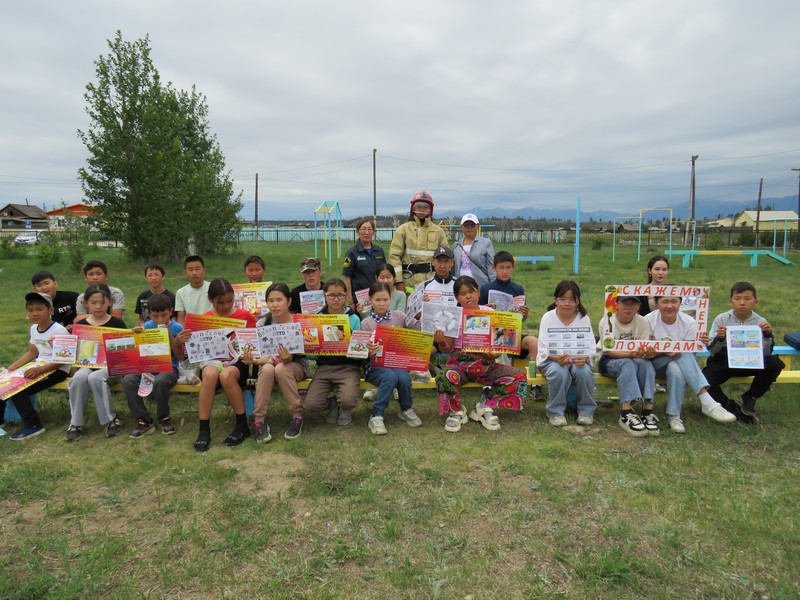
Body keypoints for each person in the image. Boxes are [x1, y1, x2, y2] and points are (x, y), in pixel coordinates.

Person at [433, 276, 528, 433]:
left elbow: (498, 345)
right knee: (443, 377)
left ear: (478, 292)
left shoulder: (490, 313)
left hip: (487, 366)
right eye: (463, 293)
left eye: (471, 291)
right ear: (457, 297)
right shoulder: (452, 316)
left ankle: (485, 406)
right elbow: (447, 349)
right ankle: (457, 410)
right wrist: (441, 341)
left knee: (519, 377)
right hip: (460, 367)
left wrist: (494, 354)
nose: (468, 296)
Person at [177, 278, 256, 451]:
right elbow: (186, 353)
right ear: (211, 299)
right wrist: (181, 341)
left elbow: (254, 345)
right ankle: (203, 430)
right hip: (212, 362)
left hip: (237, 363)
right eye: (221, 303)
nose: (226, 306)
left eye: (230, 301)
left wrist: (250, 353)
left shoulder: (245, 316)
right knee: (210, 374)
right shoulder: (203, 320)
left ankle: (242, 425)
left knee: (226, 375)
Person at [645, 295, 736, 433]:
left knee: (676, 368)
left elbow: (691, 352)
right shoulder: (648, 320)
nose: (670, 306)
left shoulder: (689, 322)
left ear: (680, 303)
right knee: (682, 354)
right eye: (665, 301)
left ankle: (674, 416)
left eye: (674, 301)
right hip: (653, 364)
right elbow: (646, 352)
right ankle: (707, 401)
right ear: (656, 303)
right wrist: (665, 352)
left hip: (678, 362)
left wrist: (685, 348)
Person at [702, 281, 785, 424]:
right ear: (730, 302)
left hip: (751, 361)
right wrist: (720, 338)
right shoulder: (721, 319)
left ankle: (751, 397)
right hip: (725, 361)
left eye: (747, 299)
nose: (742, 303)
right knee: (704, 381)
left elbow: (765, 353)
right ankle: (730, 407)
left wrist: (767, 336)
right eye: (737, 298)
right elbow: (712, 350)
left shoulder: (760, 322)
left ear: (755, 302)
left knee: (775, 363)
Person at [242, 283, 311, 442]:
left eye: (279, 300)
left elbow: (301, 353)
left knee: (282, 368)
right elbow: (262, 356)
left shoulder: (298, 322)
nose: (275, 304)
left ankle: (297, 416)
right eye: (271, 300)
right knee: (267, 369)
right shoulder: (262, 323)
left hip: (296, 365)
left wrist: (286, 358)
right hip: (269, 365)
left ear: (288, 301)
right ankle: (259, 420)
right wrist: (253, 359)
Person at [2, 292, 71, 440]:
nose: (34, 314)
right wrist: (11, 369)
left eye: (39, 309)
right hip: (39, 365)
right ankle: (2, 422)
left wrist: (40, 370)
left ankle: (34, 425)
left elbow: (63, 360)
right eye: (30, 310)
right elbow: (32, 352)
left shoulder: (59, 330)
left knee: (18, 390)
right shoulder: (34, 328)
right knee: (5, 383)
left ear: (50, 310)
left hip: (57, 370)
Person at [66, 284, 129, 441]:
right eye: (94, 302)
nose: (99, 306)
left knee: (95, 378)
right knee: (79, 378)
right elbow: (76, 353)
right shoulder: (81, 325)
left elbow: (126, 352)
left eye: (102, 302)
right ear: (86, 303)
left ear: (110, 302)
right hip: (88, 365)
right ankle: (75, 422)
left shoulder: (117, 324)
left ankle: (111, 419)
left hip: (112, 368)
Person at [478, 251, 543, 400]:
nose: (505, 271)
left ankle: (535, 382)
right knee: (489, 344)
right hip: (493, 335)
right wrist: (485, 310)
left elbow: (521, 319)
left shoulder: (518, 289)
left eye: (508, 267)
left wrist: (524, 314)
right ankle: (487, 386)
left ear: (513, 268)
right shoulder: (486, 289)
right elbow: (477, 318)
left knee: (533, 341)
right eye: (501, 267)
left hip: (513, 334)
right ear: (494, 268)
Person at [360, 282, 423, 435]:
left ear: (390, 299)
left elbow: (417, 329)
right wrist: (369, 351)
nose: (382, 303)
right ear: (370, 300)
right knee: (390, 376)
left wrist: (419, 315)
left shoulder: (399, 317)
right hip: (375, 366)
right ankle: (377, 415)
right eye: (377, 300)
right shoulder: (366, 323)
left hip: (396, 363)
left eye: (385, 299)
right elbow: (361, 352)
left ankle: (406, 408)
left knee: (404, 378)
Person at [596, 295, 659, 436]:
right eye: (625, 303)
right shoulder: (607, 320)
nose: (629, 308)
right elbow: (610, 351)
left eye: (633, 304)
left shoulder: (642, 321)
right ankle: (626, 412)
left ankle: (648, 410)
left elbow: (643, 349)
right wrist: (631, 354)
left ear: (638, 307)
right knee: (627, 363)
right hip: (607, 360)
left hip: (634, 358)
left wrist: (647, 353)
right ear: (616, 304)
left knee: (646, 364)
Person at [536, 281, 596, 427]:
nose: (567, 303)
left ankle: (586, 411)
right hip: (551, 360)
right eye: (563, 299)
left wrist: (585, 357)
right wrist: (555, 358)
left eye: (572, 299)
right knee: (559, 372)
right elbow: (543, 347)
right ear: (555, 300)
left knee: (585, 372)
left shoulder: (583, 318)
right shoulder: (548, 317)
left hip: (577, 360)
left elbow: (590, 345)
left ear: (578, 301)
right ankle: (555, 412)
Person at [123, 293, 182, 437]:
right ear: (149, 314)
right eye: (155, 316)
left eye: (164, 315)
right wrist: (135, 335)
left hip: (169, 366)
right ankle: (143, 420)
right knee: (128, 380)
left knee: (160, 381)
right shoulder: (146, 326)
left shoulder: (177, 328)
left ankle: (164, 418)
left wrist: (170, 337)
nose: (160, 319)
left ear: (171, 311)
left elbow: (181, 357)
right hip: (147, 366)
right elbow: (135, 353)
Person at [304, 278, 362, 427]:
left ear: (345, 296)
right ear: (325, 296)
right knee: (311, 405)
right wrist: (306, 348)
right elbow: (312, 355)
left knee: (348, 401)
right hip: (325, 367)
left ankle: (344, 406)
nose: (336, 299)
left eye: (340, 295)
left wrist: (351, 346)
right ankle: (333, 404)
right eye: (331, 295)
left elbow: (359, 349)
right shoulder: (317, 318)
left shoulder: (354, 318)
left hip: (349, 367)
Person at [388, 190, 448, 292]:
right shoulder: (403, 230)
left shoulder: (438, 231)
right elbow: (394, 257)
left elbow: (445, 257)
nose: (422, 210)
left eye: (425, 207)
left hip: (432, 284)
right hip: (408, 284)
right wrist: (399, 282)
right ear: (413, 208)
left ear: (430, 210)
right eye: (419, 207)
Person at [343, 217, 386, 309]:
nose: (367, 233)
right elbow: (347, 278)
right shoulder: (351, 253)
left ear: (374, 232)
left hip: (378, 297)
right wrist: (350, 301)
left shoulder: (379, 251)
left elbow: (384, 274)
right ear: (358, 232)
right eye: (363, 229)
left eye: (370, 229)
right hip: (360, 300)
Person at [452, 213, 495, 289]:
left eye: (472, 225)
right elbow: (453, 268)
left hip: (480, 286)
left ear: (477, 226)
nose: (469, 227)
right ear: (461, 227)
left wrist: (494, 286)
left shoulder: (486, 243)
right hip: (460, 286)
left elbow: (491, 267)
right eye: (466, 225)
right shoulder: (456, 246)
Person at [175, 255, 212, 326]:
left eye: (197, 269)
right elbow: (181, 319)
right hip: (191, 331)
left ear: (204, 270)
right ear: (185, 272)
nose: (194, 273)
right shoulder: (180, 293)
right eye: (190, 270)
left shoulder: (212, 288)